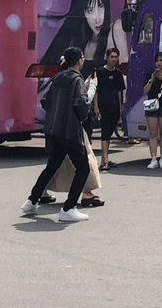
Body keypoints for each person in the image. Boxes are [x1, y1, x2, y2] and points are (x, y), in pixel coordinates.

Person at [21, 47, 92, 223]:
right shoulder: (78, 80)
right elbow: (82, 106)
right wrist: (91, 90)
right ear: (78, 60)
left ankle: (31, 200)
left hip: (54, 130)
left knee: (52, 166)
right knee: (83, 168)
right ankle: (69, 208)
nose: (83, 60)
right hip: (69, 131)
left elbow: (46, 101)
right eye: (82, 57)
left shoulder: (57, 78)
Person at [94, 46, 126, 169]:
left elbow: (120, 93)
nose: (114, 59)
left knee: (110, 132)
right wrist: (96, 107)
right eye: (112, 57)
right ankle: (105, 160)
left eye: (116, 57)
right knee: (105, 132)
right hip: (103, 106)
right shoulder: (100, 72)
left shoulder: (118, 74)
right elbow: (96, 90)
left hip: (114, 107)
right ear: (107, 58)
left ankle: (104, 159)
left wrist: (120, 108)